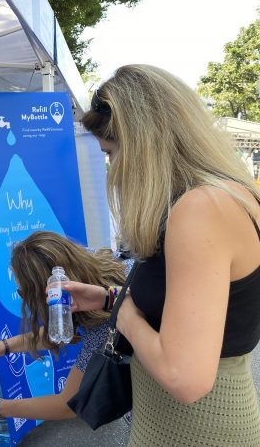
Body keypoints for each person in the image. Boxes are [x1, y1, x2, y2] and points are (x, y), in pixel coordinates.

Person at [67, 64, 260, 446]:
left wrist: (124, 315)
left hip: (196, 429)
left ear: (142, 147)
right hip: (180, 424)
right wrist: (109, 298)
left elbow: (184, 377)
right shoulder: (224, 196)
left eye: (111, 153)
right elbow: (198, 311)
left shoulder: (200, 209)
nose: (112, 169)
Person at [0, 231, 130, 423]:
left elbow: (67, 404)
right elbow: (59, 331)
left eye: (23, 292)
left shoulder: (103, 325)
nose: (22, 297)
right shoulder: (84, 267)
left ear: (46, 290)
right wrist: (5, 346)